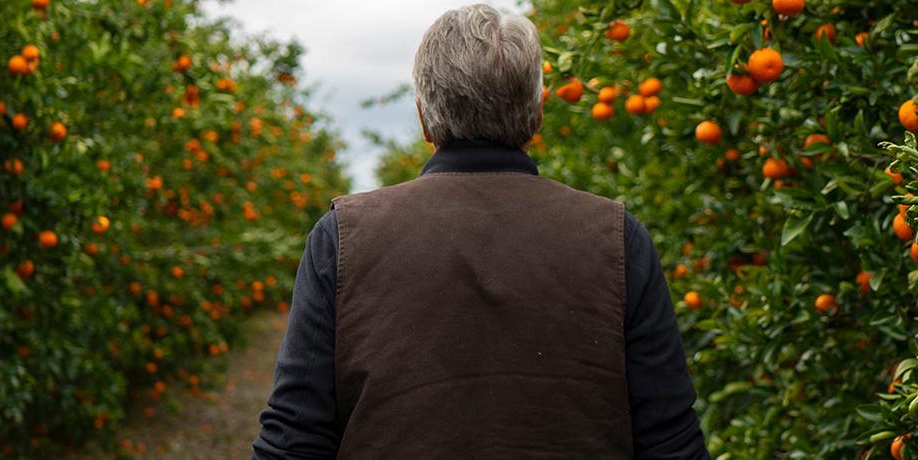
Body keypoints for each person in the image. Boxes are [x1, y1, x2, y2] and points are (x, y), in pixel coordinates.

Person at [252, 4, 707, 459]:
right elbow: (670, 440)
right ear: (538, 114)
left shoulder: (343, 237)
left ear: (424, 118)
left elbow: (295, 439)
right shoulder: (617, 239)